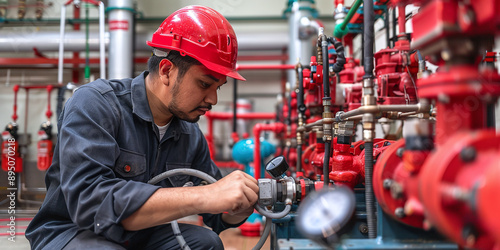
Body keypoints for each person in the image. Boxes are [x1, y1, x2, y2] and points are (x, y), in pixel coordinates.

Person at [26, 5, 259, 250]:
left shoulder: (190, 135)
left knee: (206, 243)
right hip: (72, 232)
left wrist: (239, 205)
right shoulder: (95, 104)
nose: (213, 99)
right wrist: (204, 196)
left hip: (140, 235)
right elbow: (91, 204)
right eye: (204, 84)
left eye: (218, 88)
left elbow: (217, 216)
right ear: (167, 70)